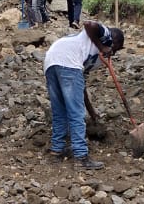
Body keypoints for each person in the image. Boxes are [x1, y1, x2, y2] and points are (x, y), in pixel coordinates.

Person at [43, 20, 124, 170]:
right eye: (116, 48)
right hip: (68, 61)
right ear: (116, 41)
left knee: (60, 111)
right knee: (76, 113)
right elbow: (89, 24)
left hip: (51, 61)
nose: (113, 53)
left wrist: (92, 112)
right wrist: (103, 46)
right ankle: (81, 156)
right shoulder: (106, 35)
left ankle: (56, 150)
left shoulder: (90, 54)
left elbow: (80, 87)